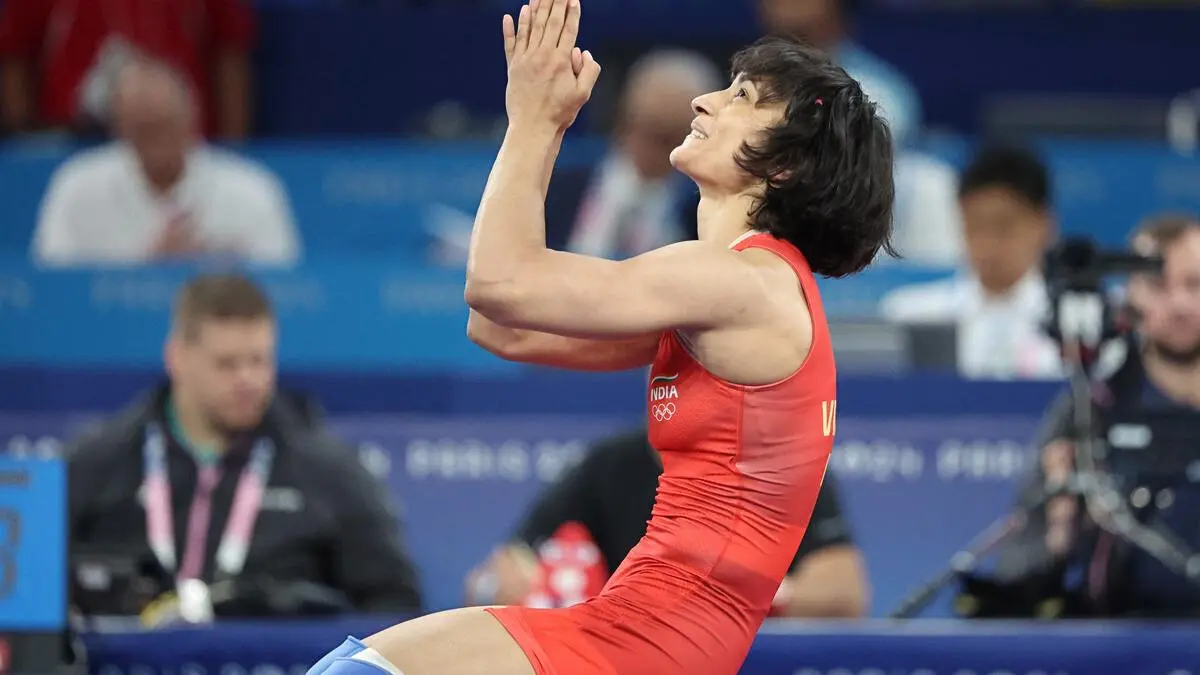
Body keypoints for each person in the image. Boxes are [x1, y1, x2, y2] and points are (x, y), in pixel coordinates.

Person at [308, 0, 893, 673]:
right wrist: (539, 131)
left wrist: (536, 119)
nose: (703, 101)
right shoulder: (734, 291)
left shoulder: (740, 281)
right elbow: (502, 327)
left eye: (742, 96)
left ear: (785, 166)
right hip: (648, 629)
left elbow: (499, 284)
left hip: (650, 641)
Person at [67, 274, 422, 617]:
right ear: (177, 358)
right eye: (227, 364)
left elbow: (394, 603)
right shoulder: (99, 463)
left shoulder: (327, 470)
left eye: (259, 361)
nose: (248, 380)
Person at [988, 213, 1200, 617]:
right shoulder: (1088, 412)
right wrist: (1059, 534)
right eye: (1159, 284)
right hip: (1119, 642)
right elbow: (1020, 571)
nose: (1180, 303)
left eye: (1194, 283)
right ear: (1131, 295)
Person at [466, 428, 870, 618]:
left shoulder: (784, 468)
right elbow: (495, 576)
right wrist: (509, 587)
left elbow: (843, 593)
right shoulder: (607, 465)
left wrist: (721, 597)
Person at [31, 58, 299, 267]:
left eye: (167, 126)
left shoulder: (251, 191)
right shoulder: (76, 187)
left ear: (192, 119)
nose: (159, 144)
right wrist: (148, 270)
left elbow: (283, 287)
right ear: (119, 130)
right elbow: (53, 287)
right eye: (144, 130)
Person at [880, 144, 1061, 380]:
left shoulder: (1075, 325)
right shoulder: (911, 316)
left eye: (1003, 227)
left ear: (1043, 224)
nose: (987, 245)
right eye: (974, 227)